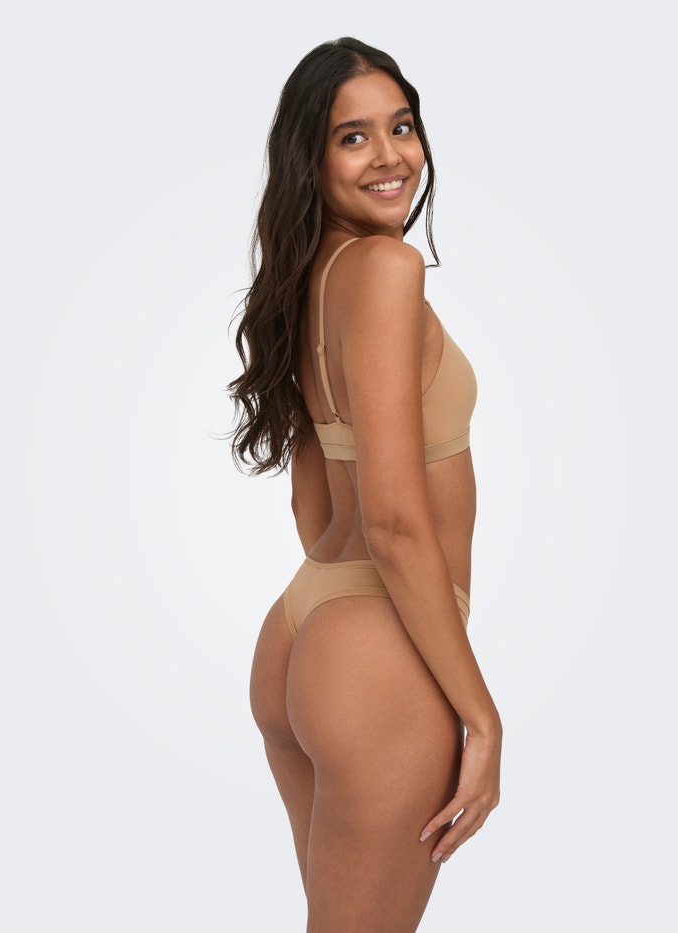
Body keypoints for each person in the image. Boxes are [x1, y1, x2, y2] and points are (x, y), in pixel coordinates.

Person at [228, 36, 502, 933]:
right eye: (354, 137)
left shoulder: (312, 275)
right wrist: (481, 717)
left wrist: (337, 645)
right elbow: (390, 522)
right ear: (310, 158)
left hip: (304, 631)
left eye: (402, 126)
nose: (390, 156)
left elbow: (316, 512)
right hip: (377, 655)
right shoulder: (387, 269)